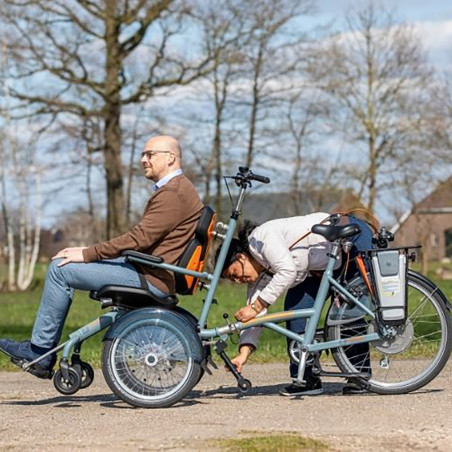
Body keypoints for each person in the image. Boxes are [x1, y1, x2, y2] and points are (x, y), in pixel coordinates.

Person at [0, 135, 203, 378]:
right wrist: (90, 254)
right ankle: (40, 349)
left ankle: (39, 351)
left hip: (150, 276)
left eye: (150, 154)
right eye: (142, 154)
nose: (143, 160)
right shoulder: (178, 189)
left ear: (171, 158)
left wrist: (88, 253)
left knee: (59, 269)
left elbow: (139, 239)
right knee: (66, 262)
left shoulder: (173, 193)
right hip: (148, 270)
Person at [218, 212, 373, 396]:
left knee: (346, 314)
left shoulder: (262, 238)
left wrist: (256, 306)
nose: (237, 281)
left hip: (349, 242)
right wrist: (242, 355)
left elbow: (287, 271)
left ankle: (359, 375)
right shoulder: (258, 274)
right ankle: (307, 379)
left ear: (241, 257)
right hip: (317, 269)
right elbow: (254, 317)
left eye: (234, 274)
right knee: (295, 311)